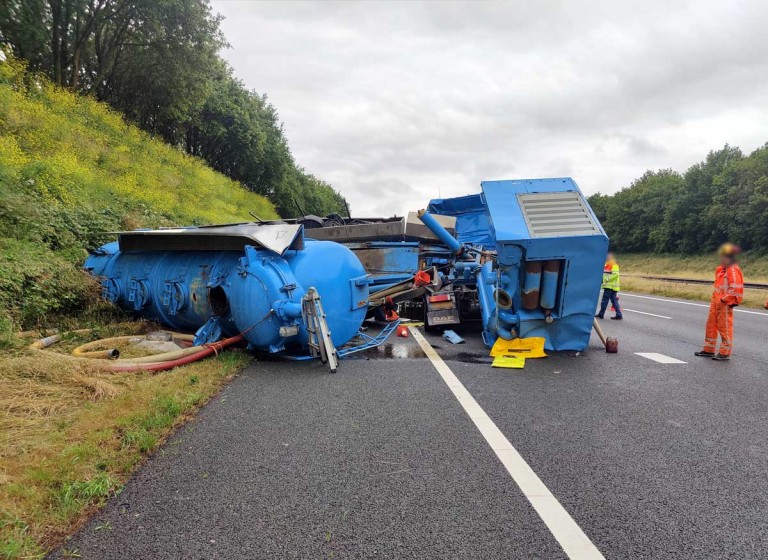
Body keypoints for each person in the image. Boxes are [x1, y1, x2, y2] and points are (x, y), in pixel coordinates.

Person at [695, 243, 744, 361]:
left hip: (725, 303)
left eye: (723, 256)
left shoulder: (732, 269)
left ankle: (725, 352)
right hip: (716, 302)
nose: (721, 259)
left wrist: (725, 299)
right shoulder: (721, 270)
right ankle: (709, 349)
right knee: (711, 325)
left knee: (725, 327)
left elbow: (736, 287)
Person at [595, 251, 622, 320]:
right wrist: (601, 280)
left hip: (610, 286)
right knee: (614, 301)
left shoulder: (614, 265)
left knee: (605, 300)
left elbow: (615, 275)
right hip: (609, 286)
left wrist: (606, 280)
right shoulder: (606, 265)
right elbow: (604, 275)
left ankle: (601, 314)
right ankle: (619, 314)